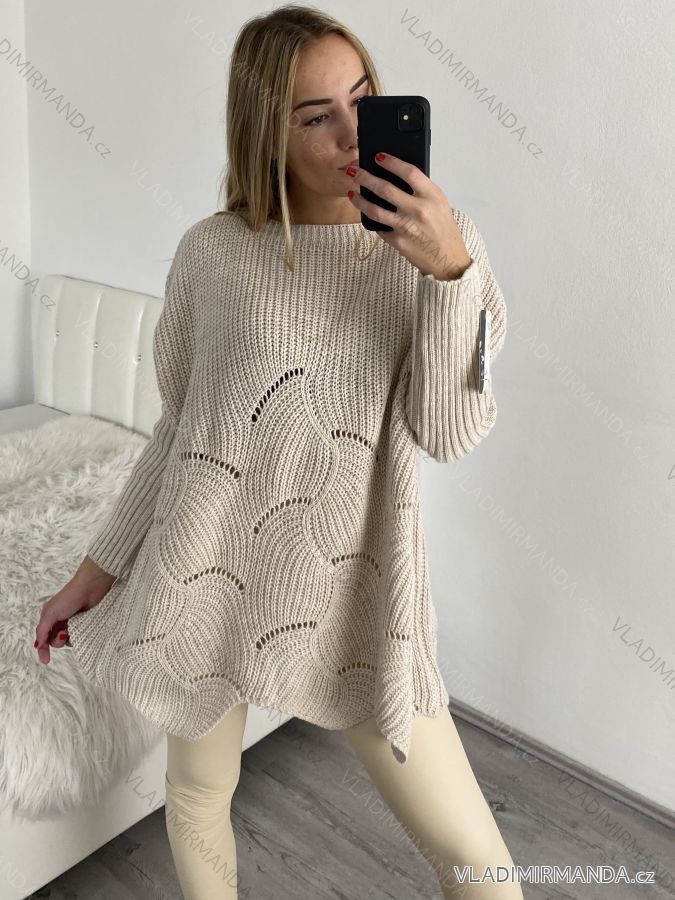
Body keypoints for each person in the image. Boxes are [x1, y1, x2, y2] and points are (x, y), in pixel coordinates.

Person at [35, 5, 521, 898]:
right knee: (198, 796)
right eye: (314, 116)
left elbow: (447, 432)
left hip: (357, 598)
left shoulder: (443, 247)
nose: (351, 136)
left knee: (483, 871)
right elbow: (184, 434)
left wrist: (449, 274)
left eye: (362, 99)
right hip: (207, 577)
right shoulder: (214, 255)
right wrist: (94, 572)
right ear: (265, 132)